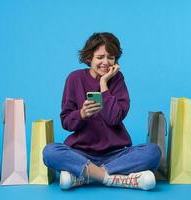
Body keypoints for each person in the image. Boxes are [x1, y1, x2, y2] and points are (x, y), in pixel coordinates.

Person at [43, 32, 161, 191]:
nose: (105, 62)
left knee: (153, 151)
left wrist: (104, 84)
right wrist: (82, 114)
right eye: (100, 57)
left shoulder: (117, 79)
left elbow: (114, 118)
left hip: (116, 154)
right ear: (89, 58)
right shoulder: (74, 78)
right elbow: (66, 122)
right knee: (50, 151)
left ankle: (83, 177)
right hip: (80, 153)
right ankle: (112, 178)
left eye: (111, 57)